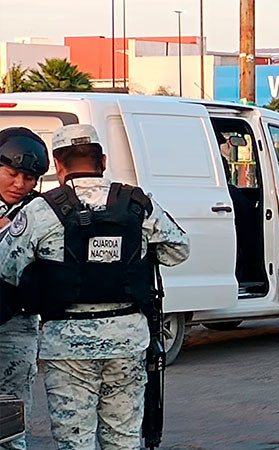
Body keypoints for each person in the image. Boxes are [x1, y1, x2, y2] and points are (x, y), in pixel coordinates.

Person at [0, 124, 190, 449]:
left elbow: (7, 267)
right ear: (102, 159)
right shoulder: (138, 203)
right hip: (128, 339)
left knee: (75, 440)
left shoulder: (40, 210)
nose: (21, 183)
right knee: (124, 438)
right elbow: (178, 250)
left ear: (58, 166)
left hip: (67, 346)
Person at [0, 127, 50, 450]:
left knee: (10, 422)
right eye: (13, 173)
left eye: (30, 178)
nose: (20, 184)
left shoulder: (41, 213)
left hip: (16, 324)